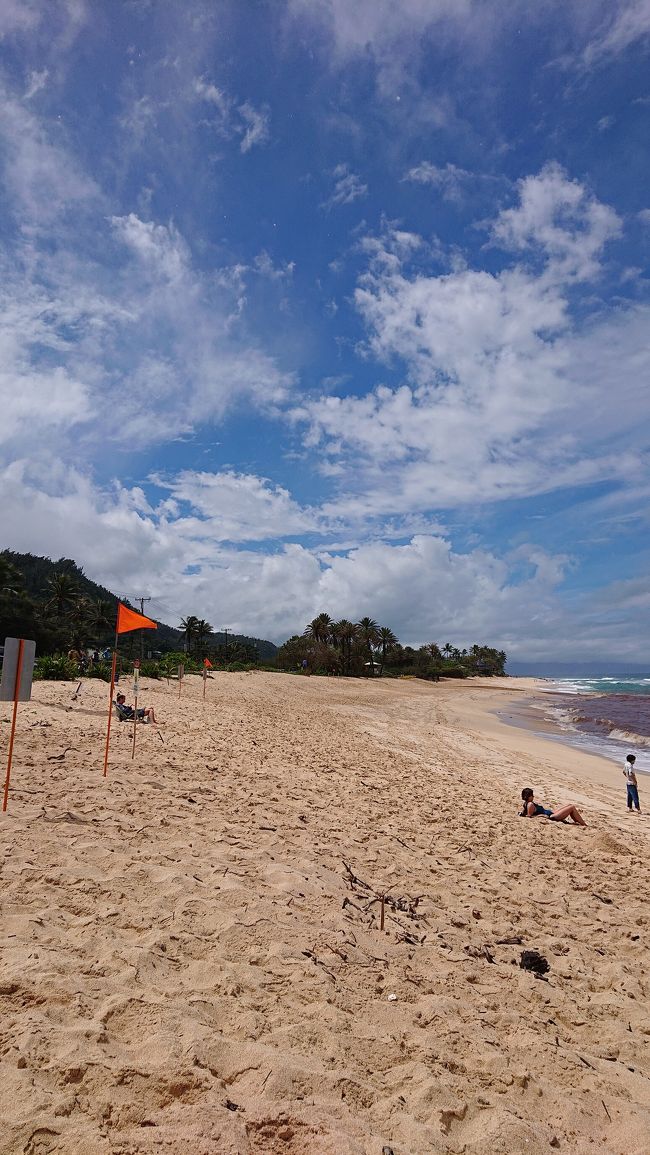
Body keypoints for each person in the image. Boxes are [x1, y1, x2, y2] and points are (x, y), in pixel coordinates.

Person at [520, 788, 587, 826]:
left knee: (569, 805)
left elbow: (525, 813)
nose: (533, 796)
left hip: (550, 813)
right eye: (532, 795)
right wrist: (541, 815)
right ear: (529, 796)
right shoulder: (530, 804)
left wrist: (521, 813)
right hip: (552, 816)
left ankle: (578, 822)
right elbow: (529, 816)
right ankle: (583, 824)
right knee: (572, 807)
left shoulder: (526, 803)